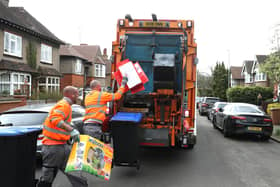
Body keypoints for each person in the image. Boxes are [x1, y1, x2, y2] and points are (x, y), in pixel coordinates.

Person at [37, 86, 80, 187]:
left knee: (71, 172)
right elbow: (55, 119)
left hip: (60, 146)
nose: (78, 97)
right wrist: (71, 130)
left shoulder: (65, 106)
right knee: (49, 175)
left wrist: (70, 132)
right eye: (77, 94)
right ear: (72, 95)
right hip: (53, 147)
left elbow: (61, 123)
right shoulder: (63, 105)